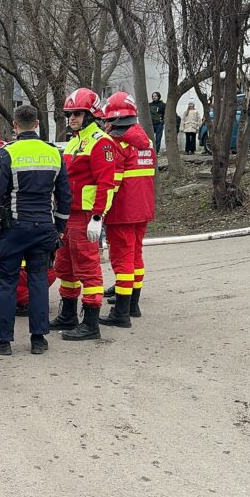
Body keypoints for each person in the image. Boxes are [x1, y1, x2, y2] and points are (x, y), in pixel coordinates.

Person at [0, 104, 71, 356]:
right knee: (37, 280)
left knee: (6, 282)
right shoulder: (53, 153)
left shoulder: (7, 153)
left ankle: (2, 341)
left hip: (14, 226)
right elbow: (65, 196)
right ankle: (38, 339)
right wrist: (59, 227)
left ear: (15, 125)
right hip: (44, 227)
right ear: (37, 124)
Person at [48, 88, 117, 341]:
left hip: (86, 215)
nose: (72, 118)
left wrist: (98, 217)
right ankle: (68, 314)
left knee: (88, 269)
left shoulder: (101, 142)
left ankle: (90, 322)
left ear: (91, 114)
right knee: (65, 266)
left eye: (77, 113)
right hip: (68, 215)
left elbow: (106, 184)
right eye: (69, 114)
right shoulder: (76, 140)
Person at [98, 92, 155, 326]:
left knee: (122, 261)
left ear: (113, 120)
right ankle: (133, 305)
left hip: (121, 211)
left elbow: (112, 182)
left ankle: (120, 314)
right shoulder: (146, 141)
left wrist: (99, 212)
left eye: (106, 120)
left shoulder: (116, 144)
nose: (105, 124)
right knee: (136, 257)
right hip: (143, 208)